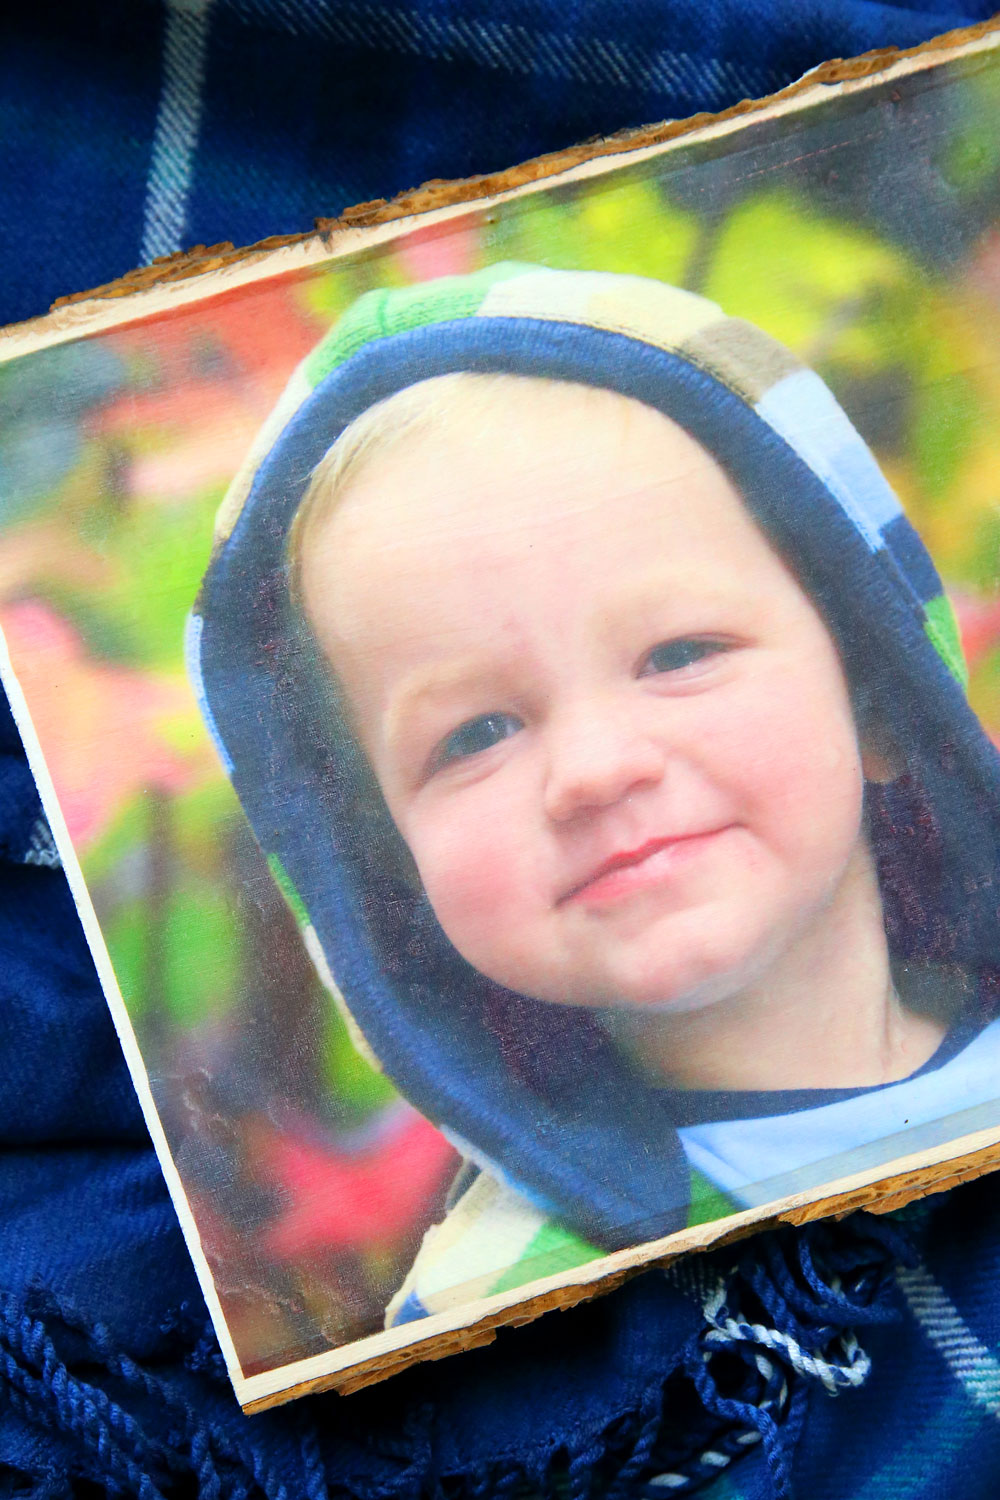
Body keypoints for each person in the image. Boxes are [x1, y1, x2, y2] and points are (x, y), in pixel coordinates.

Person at [190, 262, 1000, 1328]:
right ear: (388, 869)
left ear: (879, 698)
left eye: (677, 652)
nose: (593, 769)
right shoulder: (502, 1308)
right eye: (475, 733)